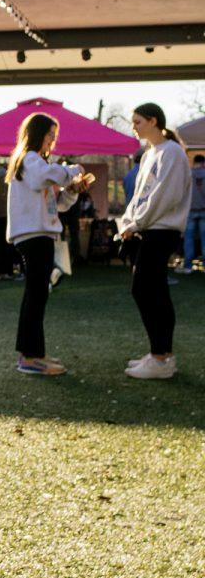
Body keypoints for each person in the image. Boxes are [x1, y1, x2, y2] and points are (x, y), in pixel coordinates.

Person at [5, 114, 87, 376]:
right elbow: (44, 179)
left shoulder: (36, 163)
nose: (53, 139)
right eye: (50, 134)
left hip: (39, 234)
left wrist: (73, 190)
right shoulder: (30, 160)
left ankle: (32, 353)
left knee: (36, 294)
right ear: (37, 133)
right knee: (36, 295)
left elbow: (57, 204)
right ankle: (30, 357)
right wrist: (72, 171)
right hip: (34, 236)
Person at [117, 103, 191, 380]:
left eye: (137, 121)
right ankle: (161, 355)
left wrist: (136, 223)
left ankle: (161, 357)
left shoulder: (171, 152)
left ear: (153, 120)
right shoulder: (151, 153)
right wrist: (128, 223)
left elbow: (164, 196)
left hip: (161, 229)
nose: (133, 126)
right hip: (149, 228)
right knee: (153, 289)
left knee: (145, 289)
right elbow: (140, 196)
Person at [178, 153, 205, 273]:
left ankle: (188, 265)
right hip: (204, 211)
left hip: (190, 210)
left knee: (188, 239)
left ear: (194, 162)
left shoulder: (187, 174)